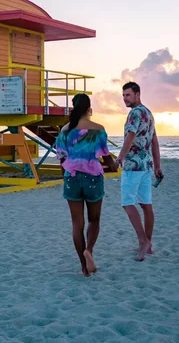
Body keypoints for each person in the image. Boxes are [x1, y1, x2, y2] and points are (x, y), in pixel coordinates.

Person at [56, 93, 117, 277]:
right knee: (94, 219)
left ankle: (84, 267)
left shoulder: (65, 130)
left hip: (71, 177)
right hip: (92, 177)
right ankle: (89, 250)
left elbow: (61, 158)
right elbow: (106, 157)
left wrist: (65, 178)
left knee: (77, 224)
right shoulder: (98, 129)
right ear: (89, 109)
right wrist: (114, 165)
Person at [117, 82, 163, 261]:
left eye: (128, 95)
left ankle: (143, 241)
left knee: (128, 203)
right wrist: (157, 166)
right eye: (123, 96)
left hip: (133, 165)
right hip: (146, 165)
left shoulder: (134, 113)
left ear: (137, 94)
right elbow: (154, 141)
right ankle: (148, 243)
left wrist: (120, 157)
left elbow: (130, 137)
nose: (125, 99)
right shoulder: (148, 113)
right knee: (146, 204)